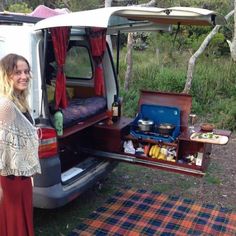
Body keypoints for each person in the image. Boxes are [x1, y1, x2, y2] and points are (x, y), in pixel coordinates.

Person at [0, 53, 41, 236]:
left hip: (21, 176)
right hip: (10, 179)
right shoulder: (6, 105)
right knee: (14, 226)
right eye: (17, 72)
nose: (24, 76)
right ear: (6, 76)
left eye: (26, 71)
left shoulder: (20, 101)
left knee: (22, 222)